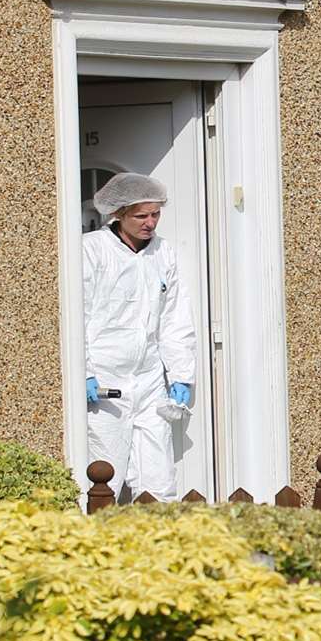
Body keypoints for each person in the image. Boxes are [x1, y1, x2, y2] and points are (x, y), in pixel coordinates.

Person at [83, 171, 197, 499]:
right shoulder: (92, 251)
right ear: (118, 213)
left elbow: (174, 318)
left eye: (156, 214)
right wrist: (85, 372)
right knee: (103, 473)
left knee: (158, 473)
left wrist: (181, 375)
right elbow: (80, 316)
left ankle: (161, 545)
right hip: (105, 380)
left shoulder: (163, 252)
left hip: (149, 380)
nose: (150, 223)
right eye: (141, 215)